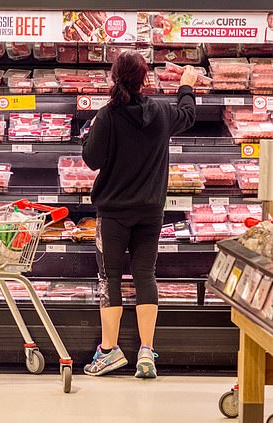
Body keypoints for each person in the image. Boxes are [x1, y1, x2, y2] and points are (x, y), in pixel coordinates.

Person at [81, 51, 197, 378]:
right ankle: (146, 351)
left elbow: (92, 159)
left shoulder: (107, 116)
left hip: (114, 213)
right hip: (150, 211)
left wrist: (87, 134)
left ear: (114, 77)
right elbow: (187, 115)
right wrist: (186, 85)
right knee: (146, 276)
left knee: (111, 278)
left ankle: (109, 351)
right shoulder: (160, 112)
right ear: (145, 78)